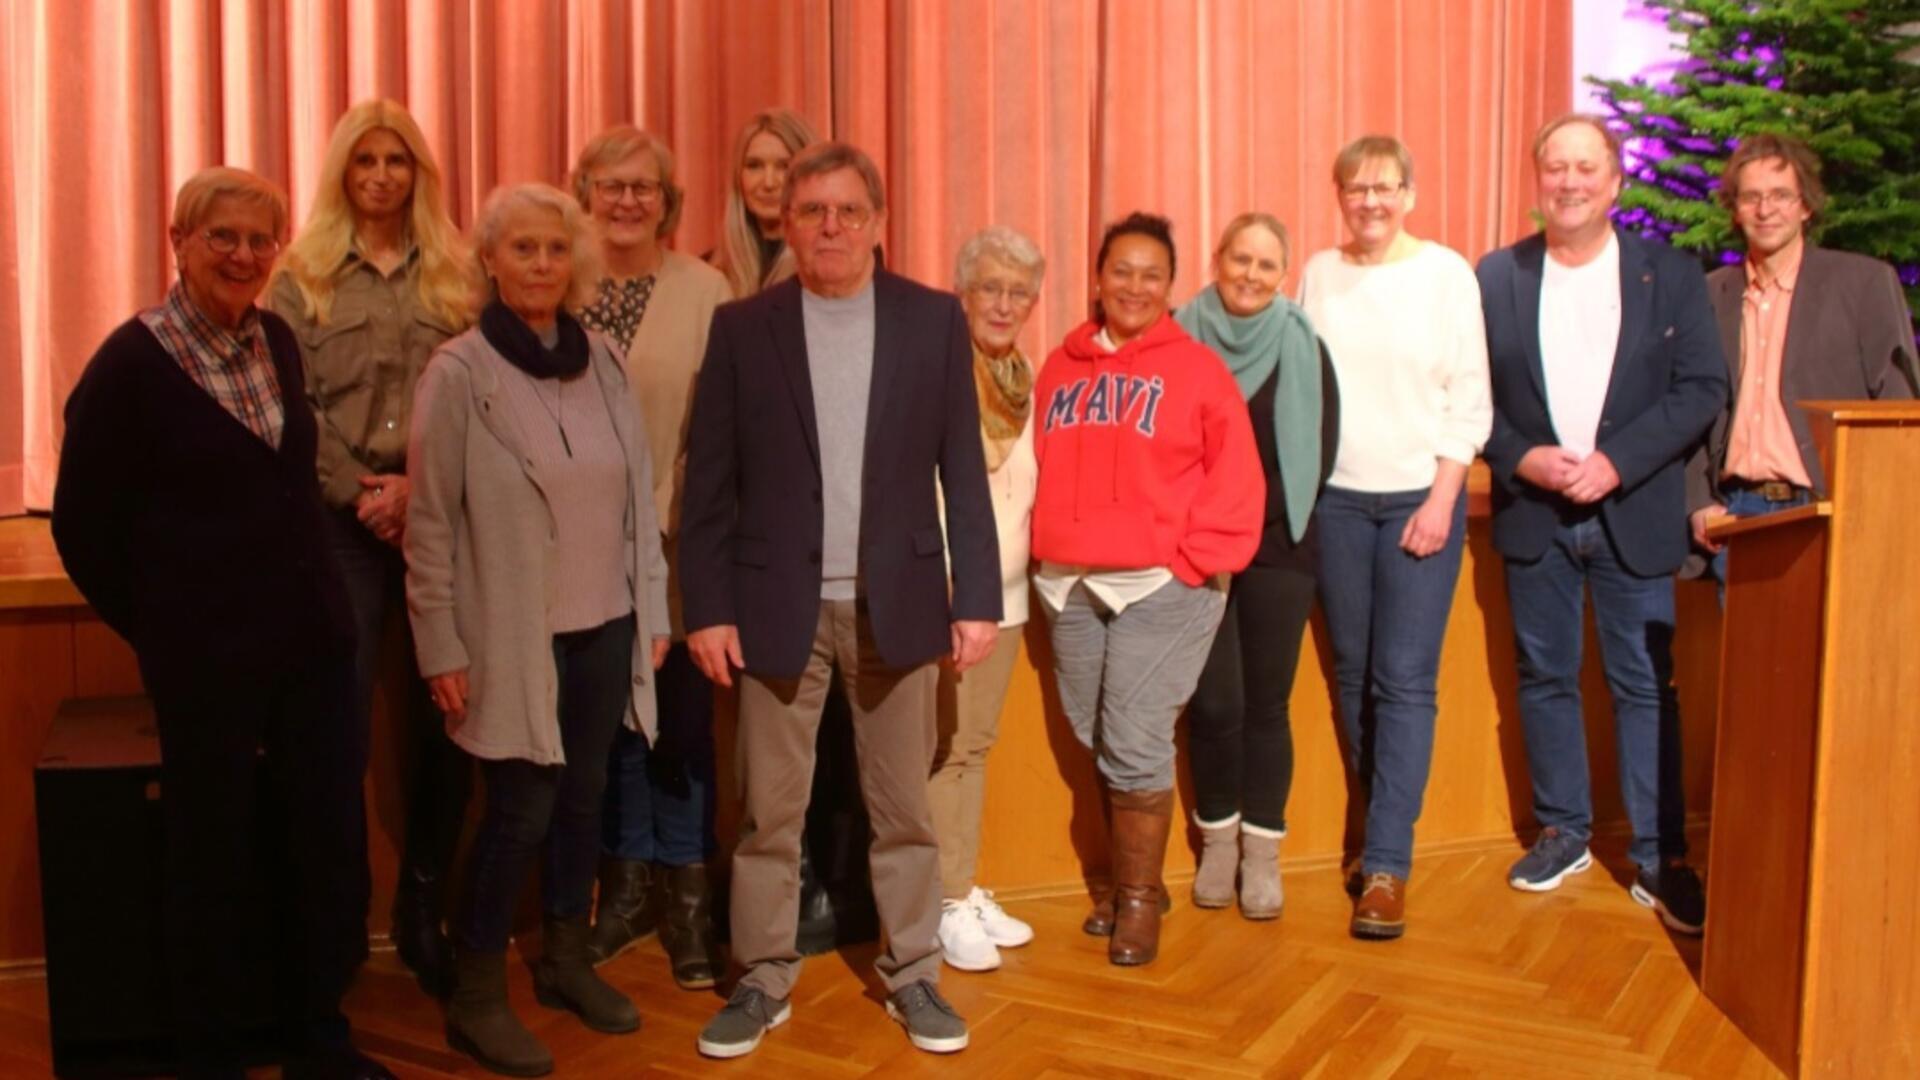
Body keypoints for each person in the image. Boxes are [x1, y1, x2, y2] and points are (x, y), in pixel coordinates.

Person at [53, 166, 391, 1080]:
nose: (243, 255)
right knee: (213, 858)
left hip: (312, 650)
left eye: (259, 239)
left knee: (315, 847)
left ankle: (315, 1036)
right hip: (207, 667)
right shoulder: (130, 366)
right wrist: (167, 628)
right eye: (222, 238)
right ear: (180, 242)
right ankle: (211, 1054)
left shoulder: (277, 339)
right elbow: (83, 529)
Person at [679, 141, 1000, 1058]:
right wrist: (706, 606)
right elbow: (712, 487)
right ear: (787, 224)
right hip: (775, 604)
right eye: (812, 212)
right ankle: (763, 979)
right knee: (768, 814)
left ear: (878, 224)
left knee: (903, 810)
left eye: (847, 212)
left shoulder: (933, 321)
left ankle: (915, 976)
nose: (829, 227)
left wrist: (972, 596)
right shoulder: (744, 329)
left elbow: (963, 476)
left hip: (896, 606)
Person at [406, 183, 671, 1077]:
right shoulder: (459, 373)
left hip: (605, 625)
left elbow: (638, 497)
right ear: (490, 260)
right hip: (510, 639)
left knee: (584, 800)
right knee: (518, 811)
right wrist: (439, 643)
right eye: (522, 249)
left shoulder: (603, 360)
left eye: (556, 251)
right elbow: (431, 523)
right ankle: (477, 998)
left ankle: (564, 960)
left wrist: (654, 613)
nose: (541, 266)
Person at [1476, 114, 1726, 935]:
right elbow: (1468, 396)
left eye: (1587, 167)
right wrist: (1523, 458)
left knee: (1646, 687)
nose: (1571, 182)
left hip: (1635, 514)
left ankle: (1660, 858)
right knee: (1544, 680)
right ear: (1538, 181)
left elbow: (1700, 388)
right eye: (1556, 167)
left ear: (1615, 182)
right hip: (1536, 516)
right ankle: (1564, 833)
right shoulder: (1496, 276)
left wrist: (1616, 461)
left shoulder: (1670, 272)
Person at [269, 98, 473, 998]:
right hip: (337, 524)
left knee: (452, 720)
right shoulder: (301, 277)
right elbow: (289, 407)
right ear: (342, 174)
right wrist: (363, 492)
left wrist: (418, 493)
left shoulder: (462, 275)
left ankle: (423, 906)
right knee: (336, 727)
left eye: (397, 161)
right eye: (365, 161)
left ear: (417, 173)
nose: (382, 176)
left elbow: (480, 400)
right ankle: (335, 915)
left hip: (441, 519)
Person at [1031, 211, 1264, 967]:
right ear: (1098, 279)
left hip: (1162, 584)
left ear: (1171, 286)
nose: (1135, 286)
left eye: (1152, 274)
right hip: (1070, 585)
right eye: (1121, 271)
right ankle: (1142, 883)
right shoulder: (1059, 368)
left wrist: (1196, 562)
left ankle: (1135, 901)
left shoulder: (1195, 368)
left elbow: (1237, 476)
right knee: (1093, 729)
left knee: (1133, 739)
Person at [1298, 136, 1492, 942]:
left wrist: (1445, 496)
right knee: (1352, 678)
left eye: (1385, 187)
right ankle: (1381, 830)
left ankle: (1386, 865)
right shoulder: (1318, 274)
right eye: (1356, 188)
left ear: (1410, 193)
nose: (1370, 201)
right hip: (1338, 504)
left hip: (1420, 500)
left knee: (1404, 681)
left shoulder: (1447, 274)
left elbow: (1468, 396)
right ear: (1338, 196)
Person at [569, 125, 734, 989]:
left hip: (675, 545)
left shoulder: (706, 289)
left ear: (668, 203)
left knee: (680, 729)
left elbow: (717, 429)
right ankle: (624, 890)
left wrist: (672, 526)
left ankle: (688, 904)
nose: (627, 200)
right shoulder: (556, 279)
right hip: (578, 554)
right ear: (584, 190)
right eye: (611, 184)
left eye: (645, 187)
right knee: (610, 730)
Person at [1178, 212, 1339, 922]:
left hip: (1279, 546)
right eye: (1239, 258)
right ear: (1217, 260)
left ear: (1284, 274)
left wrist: (1250, 518)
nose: (1250, 274)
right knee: (1213, 705)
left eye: (1266, 265)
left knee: (1267, 704)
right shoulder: (1175, 339)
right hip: (1194, 546)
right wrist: (1212, 526)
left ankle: (1261, 852)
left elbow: (1318, 452)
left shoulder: (1305, 344)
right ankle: (1216, 842)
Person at [1687, 132, 1919, 577]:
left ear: (1805, 205)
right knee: (1750, 651)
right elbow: (1690, 408)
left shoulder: (1863, 284)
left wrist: (1874, 512)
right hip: (1737, 519)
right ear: (1735, 209)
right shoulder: (1710, 294)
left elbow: (1897, 409)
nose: (1765, 209)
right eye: (1751, 197)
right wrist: (1698, 503)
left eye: (1780, 196)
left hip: (1833, 512)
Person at [929, 226, 1046, 972]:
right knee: (945, 749)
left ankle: (962, 887)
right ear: (963, 293)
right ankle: (943, 900)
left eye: (1018, 292)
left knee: (973, 746)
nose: (1003, 304)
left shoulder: (1024, 375)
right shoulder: (937, 369)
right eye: (989, 288)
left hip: (1006, 591)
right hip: (949, 591)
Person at [712, 108, 818, 297]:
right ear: (738, 177)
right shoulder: (709, 273)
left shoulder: (836, 263)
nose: (768, 182)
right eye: (754, 166)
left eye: (784, 166)